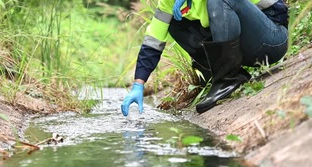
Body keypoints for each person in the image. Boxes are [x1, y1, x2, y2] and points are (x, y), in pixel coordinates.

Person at [121, 0, 289, 115]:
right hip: (244, 47)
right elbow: (153, 40)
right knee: (175, 25)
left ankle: (227, 79)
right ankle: (228, 74)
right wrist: (138, 84)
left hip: (272, 37)